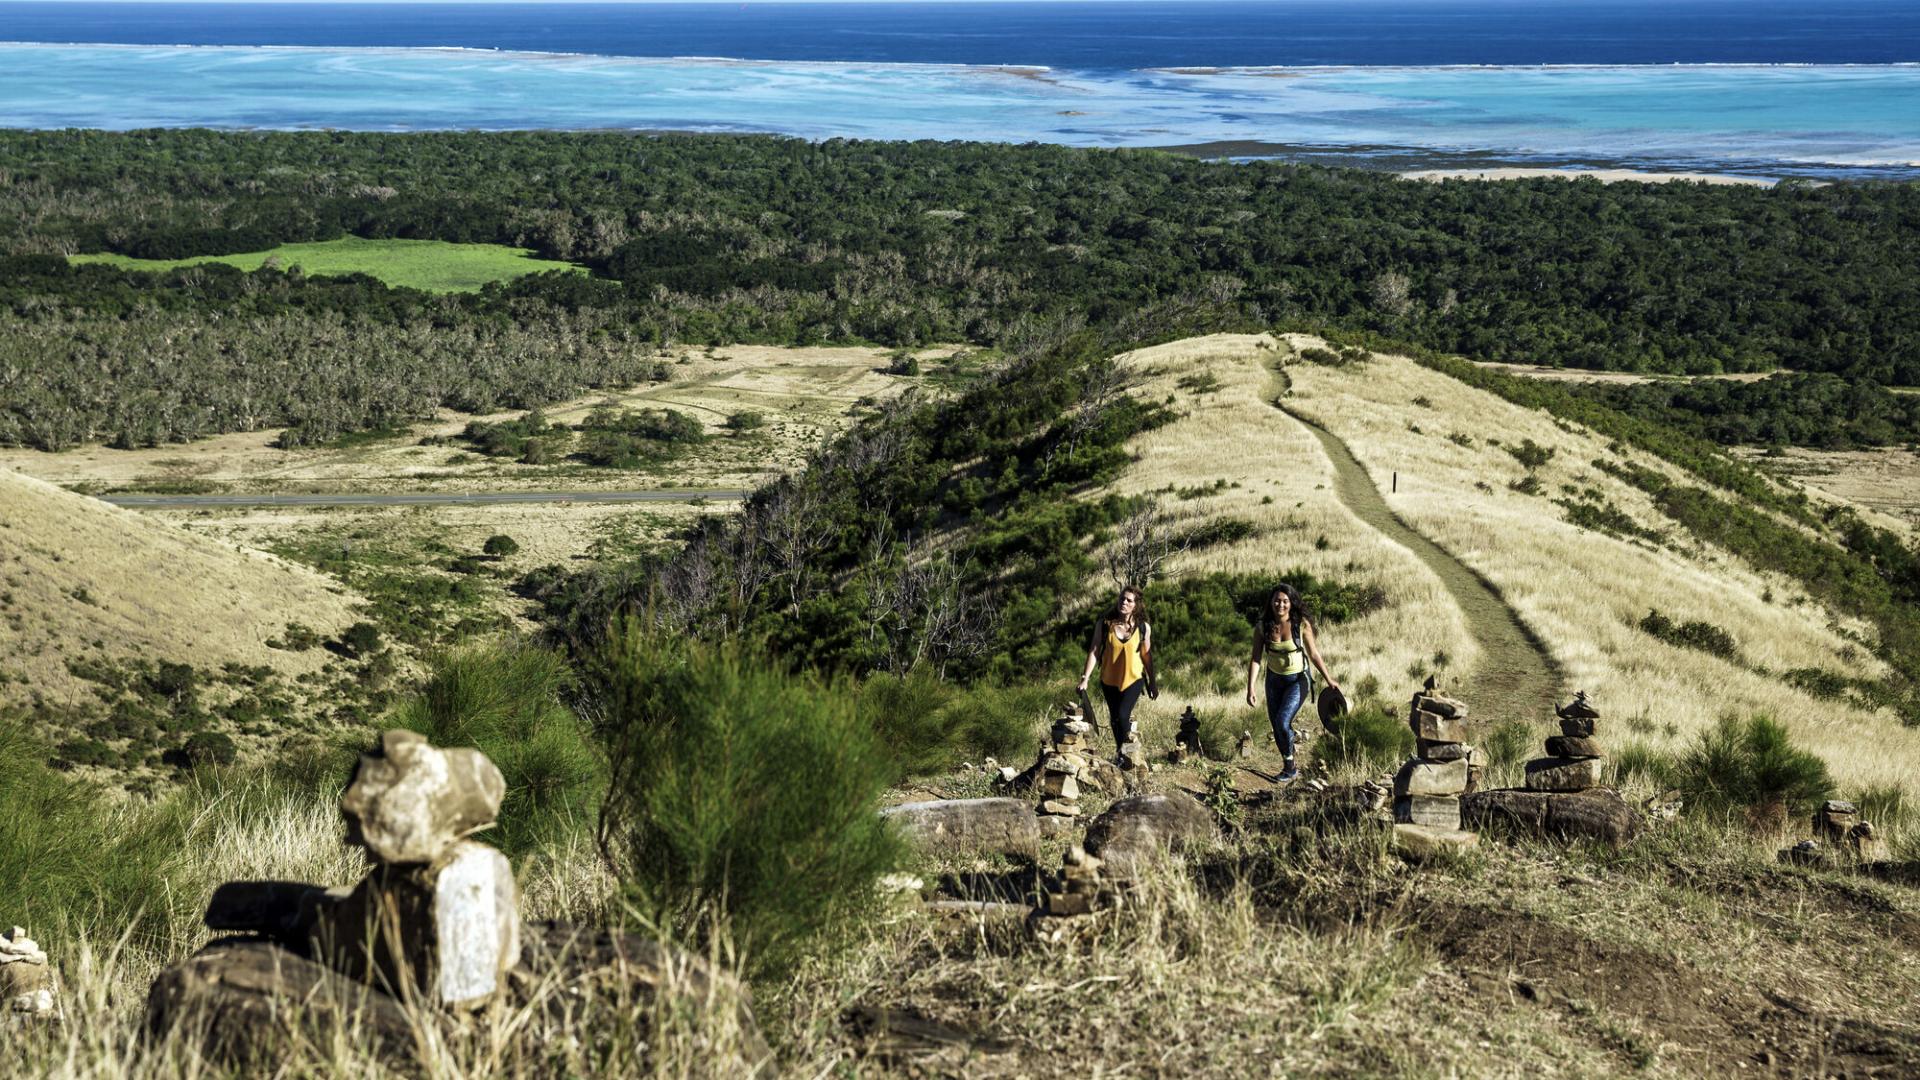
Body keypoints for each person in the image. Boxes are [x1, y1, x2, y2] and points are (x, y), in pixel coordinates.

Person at [1246, 583, 1338, 782]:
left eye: (1285, 601)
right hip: (1273, 680)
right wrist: (1250, 687)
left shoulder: (1300, 624)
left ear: (1291, 603)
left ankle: (1290, 749)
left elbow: (1314, 654)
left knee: (1282, 721)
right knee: (1277, 725)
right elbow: (1256, 659)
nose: (1280, 605)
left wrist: (1328, 678)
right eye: (1277, 600)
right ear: (1271, 602)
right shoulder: (1262, 626)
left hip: (1298, 680)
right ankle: (1289, 766)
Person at [1077, 585, 1157, 750]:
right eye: (1122, 598)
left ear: (1136, 605)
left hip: (1134, 678)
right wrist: (1085, 678)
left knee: (1122, 715)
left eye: (1129, 600)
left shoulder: (1143, 627)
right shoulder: (1105, 624)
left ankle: (1130, 752)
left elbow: (1146, 656)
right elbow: (1094, 650)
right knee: (1114, 719)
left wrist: (1152, 682)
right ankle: (1122, 753)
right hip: (1109, 679)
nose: (1124, 602)